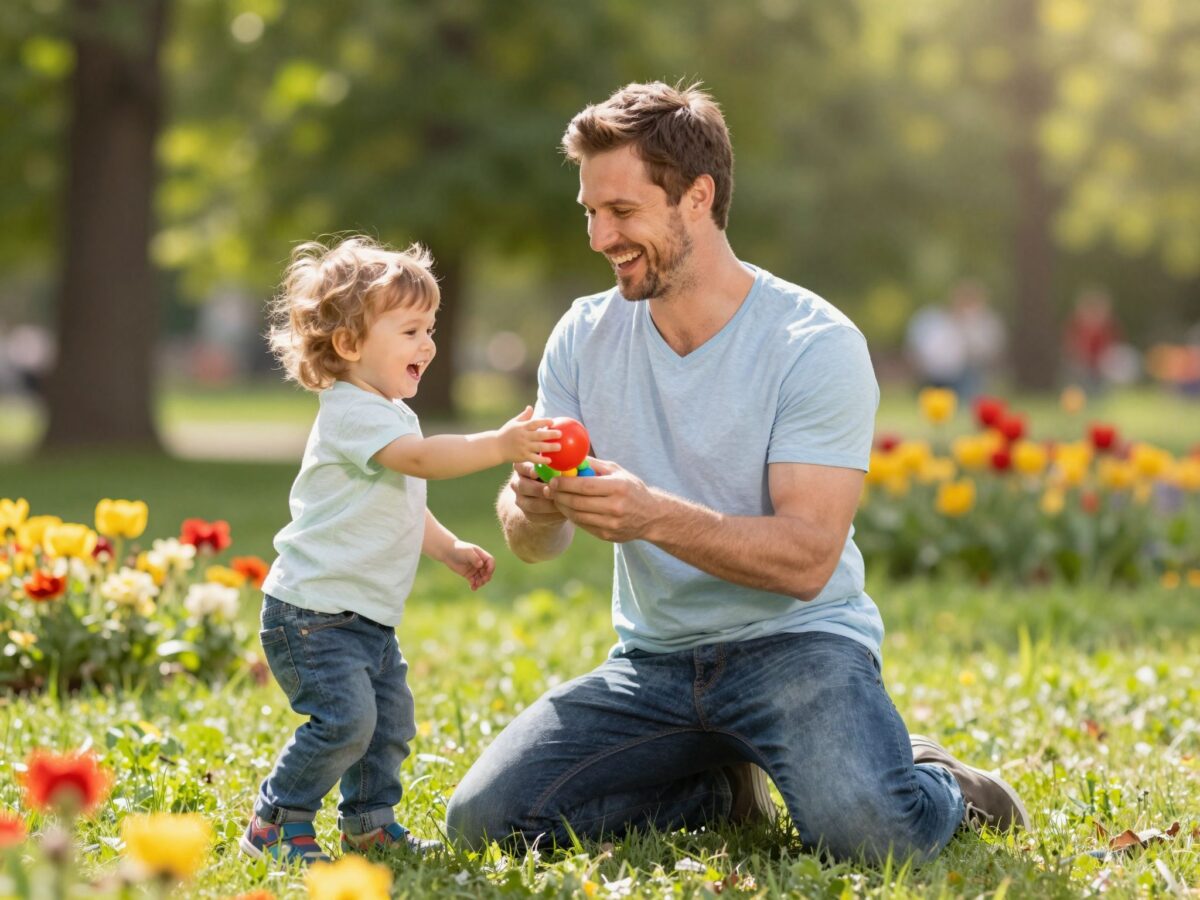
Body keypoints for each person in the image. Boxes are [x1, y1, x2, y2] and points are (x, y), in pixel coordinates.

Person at [445, 82, 1030, 863]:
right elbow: (530, 544)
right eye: (589, 212)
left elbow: (806, 558)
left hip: (799, 647)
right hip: (652, 663)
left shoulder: (812, 344)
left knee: (871, 834)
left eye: (621, 212)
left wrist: (652, 515)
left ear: (697, 197)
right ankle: (721, 787)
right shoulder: (583, 337)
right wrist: (536, 508)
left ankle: (945, 784)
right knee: (487, 822)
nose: (598, 236)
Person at [242, 236, 560, 864]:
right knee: (345, 724)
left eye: (431, 329)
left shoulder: (390, 412)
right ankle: (277, 820)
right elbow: (421, 462)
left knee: (388, 727)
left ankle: (369, 823)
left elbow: (401, 498)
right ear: (350, 344)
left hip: (365, 618)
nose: (429, 345)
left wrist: (447, 549)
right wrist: (499, 445)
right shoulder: (352, 412)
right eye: (411, 330)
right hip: (313, 616)